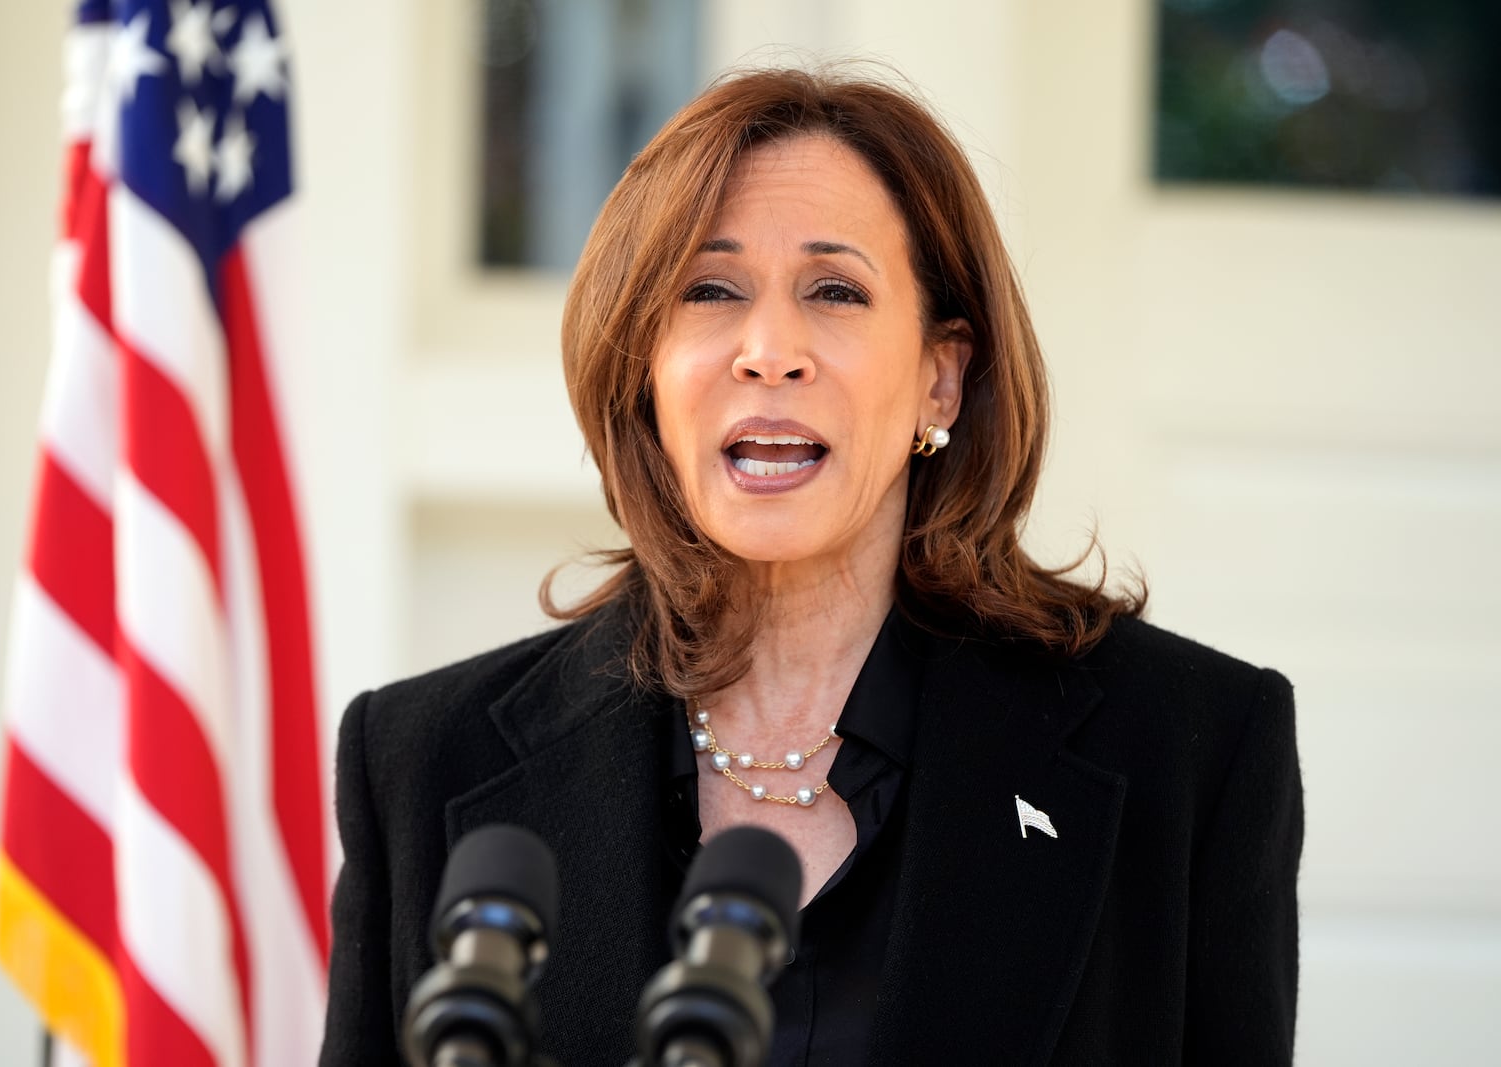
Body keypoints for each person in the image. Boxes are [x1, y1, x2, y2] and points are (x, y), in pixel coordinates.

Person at [320, 67, 1302, 1067]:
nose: (771, 350)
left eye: (835, 291)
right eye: (710, 289)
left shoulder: (1188, 748)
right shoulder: (424, 761)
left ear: (940, 376)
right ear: (643, 371)